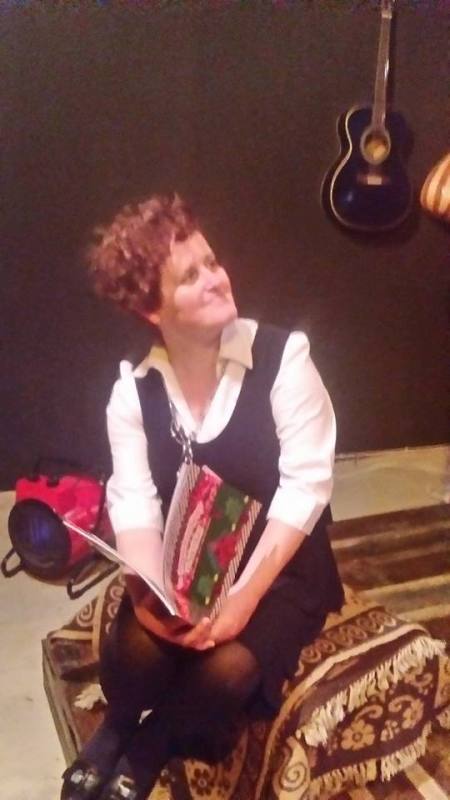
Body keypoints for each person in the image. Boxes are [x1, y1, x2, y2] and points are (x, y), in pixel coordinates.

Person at [61, 194, 344, 800]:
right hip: (193, 557)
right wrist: (147, 594)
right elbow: (134, 500)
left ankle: (150, 741)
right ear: (150, 309)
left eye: (212, 262)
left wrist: (243, 599)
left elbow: (307, 485)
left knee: (224, 675)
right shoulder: (133, 392)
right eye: (190, 276)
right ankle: (118, 722)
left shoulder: (284, 359)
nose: (217, 278)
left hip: (279, 566)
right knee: (134, 655)